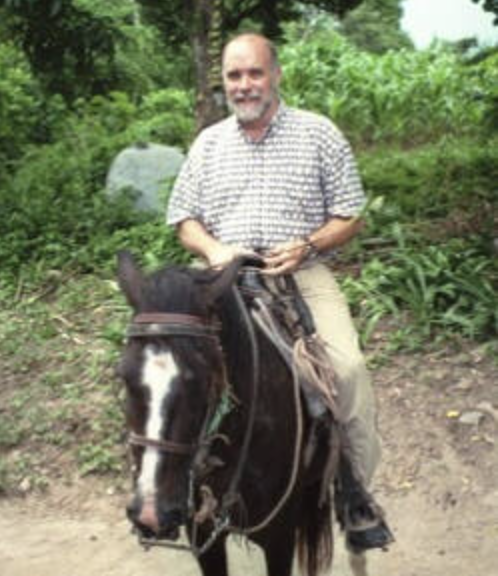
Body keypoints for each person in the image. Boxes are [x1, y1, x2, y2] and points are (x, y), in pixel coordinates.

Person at [167, 32, 392, 552]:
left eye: (254, 73)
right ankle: (165, 487)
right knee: (167, 363)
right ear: (224, 82)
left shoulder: (319, 134)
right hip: (225, 276)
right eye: (234, 76)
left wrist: (309, 243)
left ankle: (354, 492)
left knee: (349, 370)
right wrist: (215, 249)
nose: (244, 85)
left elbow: (350, 213)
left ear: (276, 75)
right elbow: (183, 219)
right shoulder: (209, 143)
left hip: (299, 274)